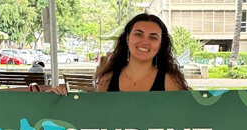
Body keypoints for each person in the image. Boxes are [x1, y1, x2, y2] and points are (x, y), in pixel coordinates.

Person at [50, 14, 188, 95]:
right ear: (128, 38)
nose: (145, 42)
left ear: (161, 45)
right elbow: (95, 118)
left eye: (153, 37)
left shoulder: (170, 81)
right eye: (138, 34)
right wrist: (55, 100)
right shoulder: (108, 79)